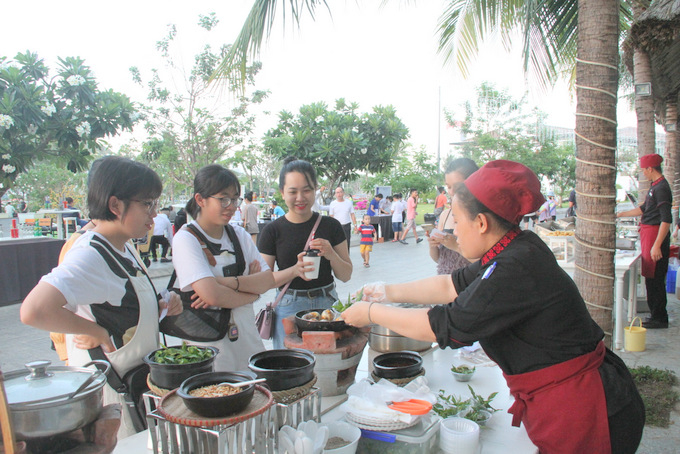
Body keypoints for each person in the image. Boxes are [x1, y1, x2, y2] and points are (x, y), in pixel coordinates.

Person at [341, 160, 645, 454]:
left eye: (458, 222)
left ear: (482, 222)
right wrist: (384, 291)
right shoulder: (512, 247)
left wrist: (370, 313)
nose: (454, 232)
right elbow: (450, 285)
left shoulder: (515, 265)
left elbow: (446, 325)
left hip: (587, 407)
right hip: (568, 397)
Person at [20, 156, 183, 437]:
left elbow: (119, 306)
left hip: (136, 383)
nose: (154, 214)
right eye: (147, 204)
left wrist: (162, 306)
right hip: (112, 393)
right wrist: (92, 330)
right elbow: (34, 310)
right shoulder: (91, 254)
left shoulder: (123, 246)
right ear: (115, 205)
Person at [172, 165, 274, 371]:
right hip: (209, 347)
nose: (231, 206)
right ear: (200, 199)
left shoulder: (239, 235)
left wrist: (223, 286)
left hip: (247, 339)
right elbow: (212, 296)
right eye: (223, 199)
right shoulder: (186, 239)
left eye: (234, 199)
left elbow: (268, 280)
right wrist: (251, 293)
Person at [258, 157, 352, 349]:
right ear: (283, 193)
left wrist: (331, 254)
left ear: (315, 190)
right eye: (293, 191)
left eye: (307, 190)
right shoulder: (272, 230)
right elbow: (261, 281)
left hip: (326, 303)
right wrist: (294, 271)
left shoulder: (331, 226)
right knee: (289, 367)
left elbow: (346, 275)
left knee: (326, 367)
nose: (300, 198)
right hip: (288, 305)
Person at [617, 153, 672, 329]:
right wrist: (620, 214)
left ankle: (659, 317)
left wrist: (657, 245)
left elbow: (666, 219)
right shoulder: (654, 186)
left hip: (656, 236)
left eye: (644, 170)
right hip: (649, 235)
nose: (643, 173)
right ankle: (655, 313)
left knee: (655, 278)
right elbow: (643, 209)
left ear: (650, 169)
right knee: (650, 278)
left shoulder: (662, 188)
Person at [429, 158, 478, 275]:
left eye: (457, 187)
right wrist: (433, 245)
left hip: (469, 283)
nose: (451, 192)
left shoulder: (480, 216)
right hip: (445, 282)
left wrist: (456, 246)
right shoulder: (445, 215)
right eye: (448, 187)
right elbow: (439, 259)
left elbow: (488, 263)